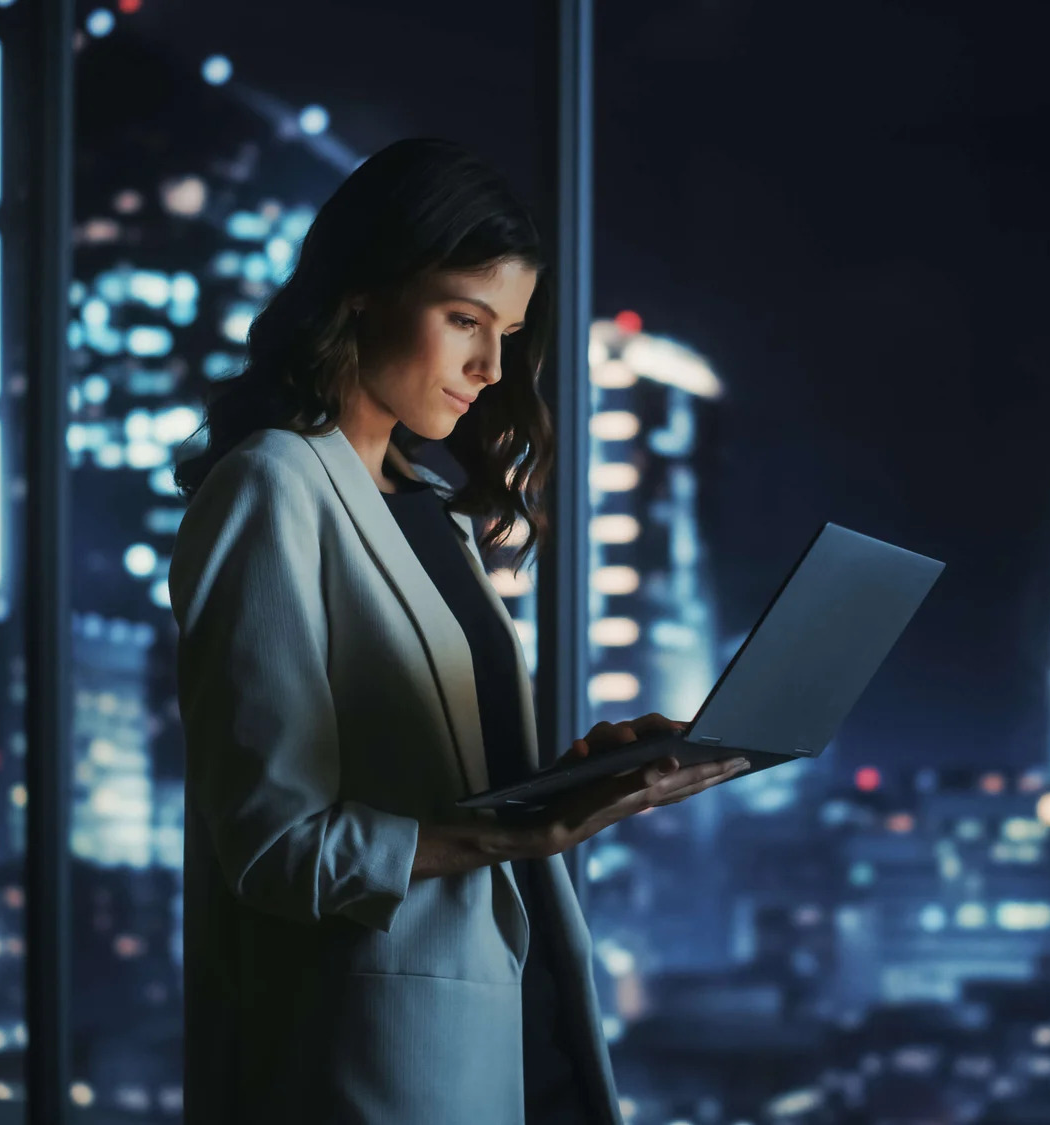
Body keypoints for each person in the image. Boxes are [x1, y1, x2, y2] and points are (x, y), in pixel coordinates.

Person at [167, 137, 750, 1124]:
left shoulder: (430, 512)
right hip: (369, 1055)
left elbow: (442, 786)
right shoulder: (272, 486)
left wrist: (573, 781)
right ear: (362, 292)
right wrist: (522, 829)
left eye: (508, 334)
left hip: (514, 1013)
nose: (488, 367)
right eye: (461, 319)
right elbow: (274, 850)